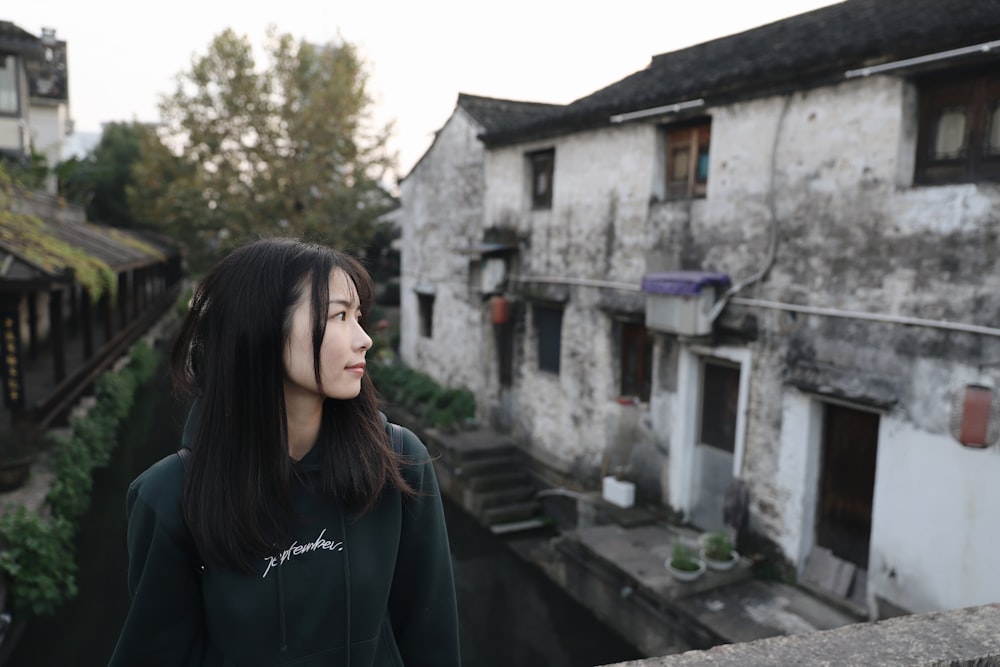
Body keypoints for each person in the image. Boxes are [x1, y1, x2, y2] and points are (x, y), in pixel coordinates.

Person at [109, 238, 460, 666]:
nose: (364, 339)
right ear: (261, 328)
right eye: (340, 316)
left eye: (359, 316)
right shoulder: (168, 497)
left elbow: (432, 639)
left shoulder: (397, 461)